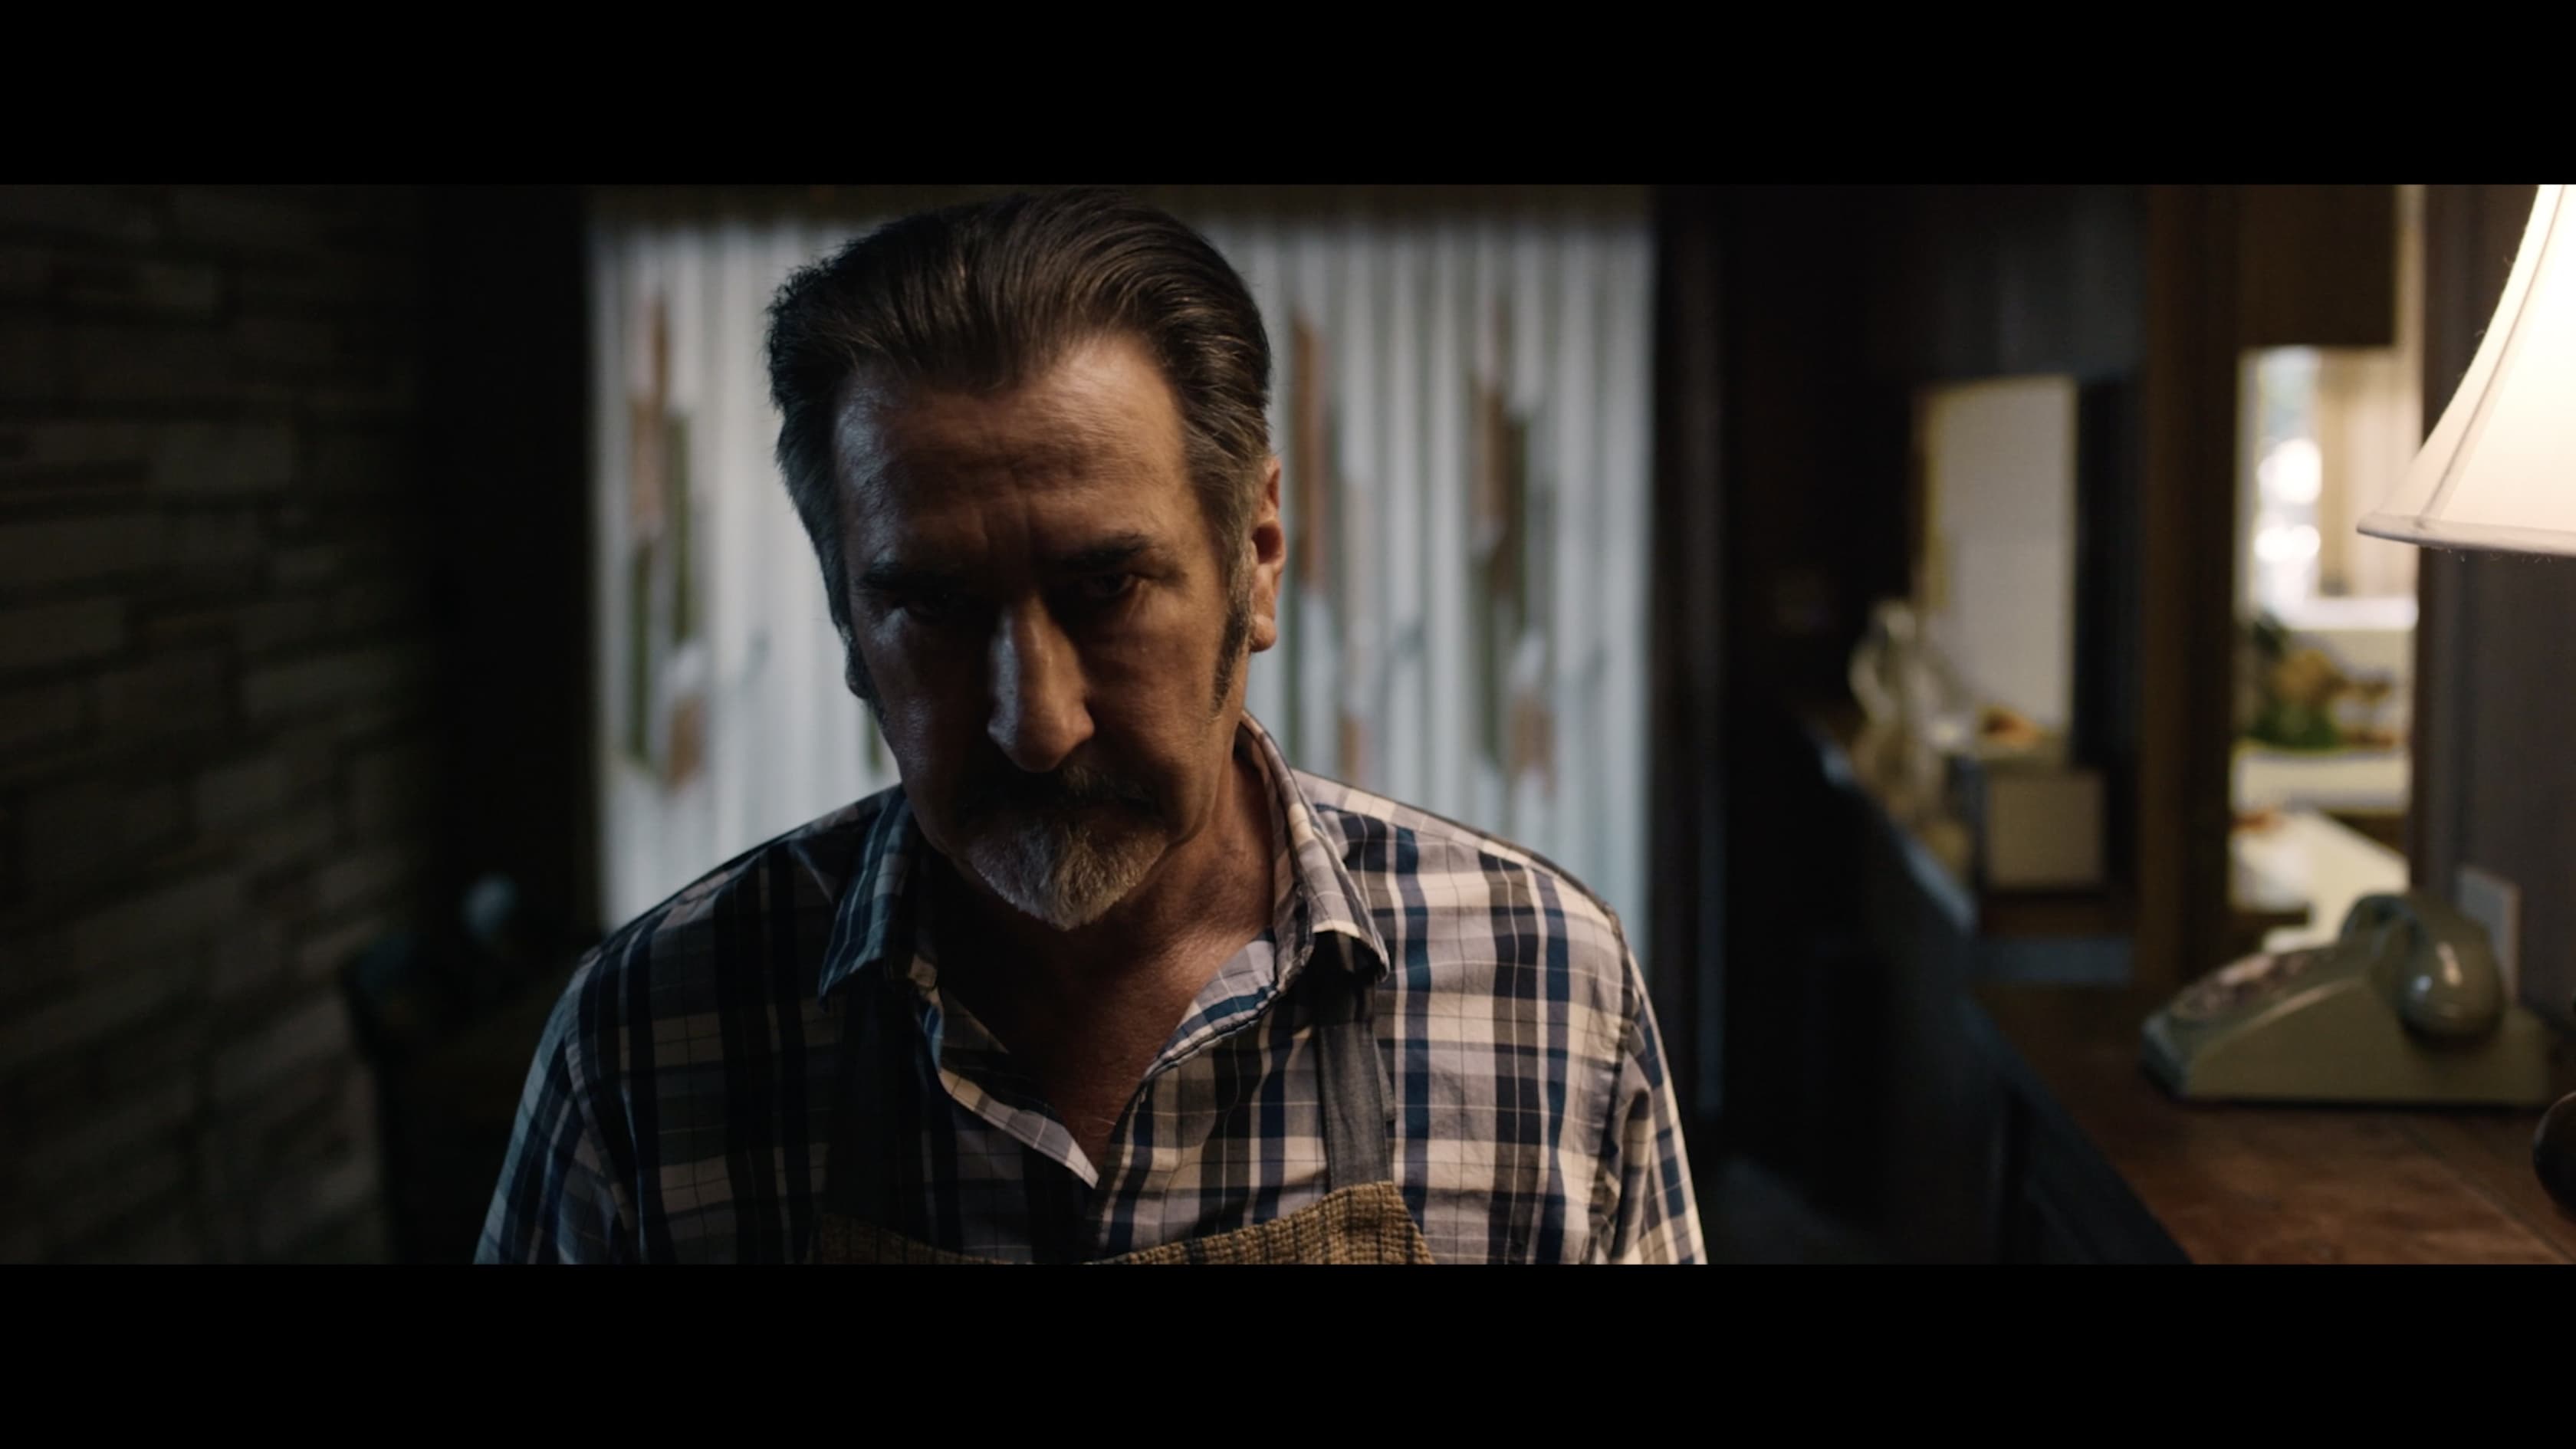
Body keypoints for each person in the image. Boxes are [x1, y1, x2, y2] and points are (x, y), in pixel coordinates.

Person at [477, 188, 1703, 1263]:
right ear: (846, 619)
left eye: (1106, 588)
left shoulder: (1545, 986)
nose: (1037, 727)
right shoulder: (647, 1042)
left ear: (1257, 556)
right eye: (934, 606)